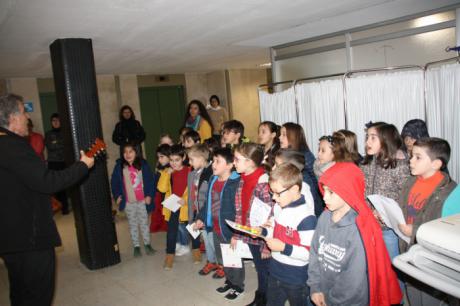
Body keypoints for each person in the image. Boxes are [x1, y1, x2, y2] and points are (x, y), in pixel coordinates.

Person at [0, 93, 94, 306]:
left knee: (20, 293)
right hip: (29, 239)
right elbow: (48, 182)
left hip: (9, 238)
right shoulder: (12, 146)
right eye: (24, 112)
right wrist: (82, 166)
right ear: (13, 118)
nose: (27, 117)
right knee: (37, 296)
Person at [308, 162, 402, 306]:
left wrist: (331, 300)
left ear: (348, 191)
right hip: (323, 291)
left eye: (331, 192)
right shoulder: (324, 218)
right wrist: (315, 287)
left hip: (347, 301)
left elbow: (353, 280)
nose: (325, 197)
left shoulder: (358, 230)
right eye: (324, 190)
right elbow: (314, 253)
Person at [398, 138, 456, 305]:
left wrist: (415, 231)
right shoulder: (410, 181)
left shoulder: (451, 192)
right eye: (411, 156)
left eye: (418, 157)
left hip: (432, 259)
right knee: (412, 292)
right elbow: (402, 208)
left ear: (436, 164)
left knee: (430, 298)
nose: (411, 160)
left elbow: (449, 232)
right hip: (409, 250)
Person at [263, 163, 317, 306]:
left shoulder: (306, 218)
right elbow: (273, 230)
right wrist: (263, 231)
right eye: (271, 192)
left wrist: (283, 247)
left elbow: (308, 253)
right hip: (275, 271)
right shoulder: (280, 207)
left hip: (296, 277)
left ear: (294, 189)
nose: (274, 197)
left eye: (277, 193)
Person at [360, 122, 410, 272]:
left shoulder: (400, 165)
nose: (367, 142)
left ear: (386, 140)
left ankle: (399, 296)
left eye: (373, 138)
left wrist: (385, 212)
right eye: (367, 137)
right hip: (369, 224)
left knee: (393, 269)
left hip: (389, 229)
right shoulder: (366, 163)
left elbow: (406, 197)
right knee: (375, 268)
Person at [193, 148, 241, 298]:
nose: (213, 164)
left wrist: (237, 233)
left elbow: (239, 209)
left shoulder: (235, 182)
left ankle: (238, 286)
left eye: (217, 161)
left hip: (229, 229)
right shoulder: (213, 180)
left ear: (229, 165)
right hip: (215, 227)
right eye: (213, 161)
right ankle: (230, 281)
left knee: (233, 259)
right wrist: (201, 218)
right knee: (223, 258)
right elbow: (207, 202)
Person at [232, 143, 273, 304]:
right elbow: (239, 209)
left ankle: (264, 298)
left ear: (249, 162)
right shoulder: (243, 179)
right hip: (248, 232)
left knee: (265, 270)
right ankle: (261, 296)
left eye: (237, 159)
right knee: (260, 268)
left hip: (261, 237)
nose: (234, 162)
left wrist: (266, 245)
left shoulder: (264, 183)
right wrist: (237, 233)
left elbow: (270, 216)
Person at [111, 143, 156, 257]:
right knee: (133, 224)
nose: (128, 154)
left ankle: (147, 244)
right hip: (128, 202)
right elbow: (114, 182)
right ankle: (136, 246)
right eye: (125, 152)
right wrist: (117, 196)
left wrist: (149, 195)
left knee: (144, 223)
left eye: (131, 151)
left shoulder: (143, 165)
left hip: (142, 200)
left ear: (136, 152)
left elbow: (150, 181)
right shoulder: (119, 166)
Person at [157, 144, 191, 269]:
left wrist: (186, 200)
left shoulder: (190, 170)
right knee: (171, 230)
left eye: (177, 160)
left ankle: (195, 248)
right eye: (171, 160)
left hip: (186, 205)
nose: (174, 163)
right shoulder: (167, 171)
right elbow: (161, 188)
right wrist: (167, 174)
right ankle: (169, 255)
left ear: (183, 157)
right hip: (173, 205)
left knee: (191, 228)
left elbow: (194, 189)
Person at [279, 122, 323, 217]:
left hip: (309, 202)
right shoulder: (284, 155)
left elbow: (316, 181)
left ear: (293, 137)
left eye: (284, 135)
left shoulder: (305, 155)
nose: (280, 137)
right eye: (280, 134)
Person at [186, 144, 213, 264]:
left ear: (201, 158)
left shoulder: (211, 173)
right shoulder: (193, 174)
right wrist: (191, 215)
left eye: (192, 159)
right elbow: (191, 196)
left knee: (210, 238)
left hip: (207, 211)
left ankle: (217, 263)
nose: (190, 163)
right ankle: (210, 261)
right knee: (206, 239)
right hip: (197, 210)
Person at [45, 113, 70, 214]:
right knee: (56, 186)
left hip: (65, 162)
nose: (55, 123)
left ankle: (65, 207)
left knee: (66, 184)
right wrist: (61, 144)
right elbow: (51, 146)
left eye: (57, 120)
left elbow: (67, 145)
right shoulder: (48, 134)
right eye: (53, 121)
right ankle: (58, 206)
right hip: (54, 162)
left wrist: (57, 143)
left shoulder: (66, 132)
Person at [150, 144, 170, 233]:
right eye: (158, 157)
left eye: (162, 157)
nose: (159, 159)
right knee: (159, 211)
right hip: (159, 194)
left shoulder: (170, 169)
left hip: (167, 195)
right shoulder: (160, 167)